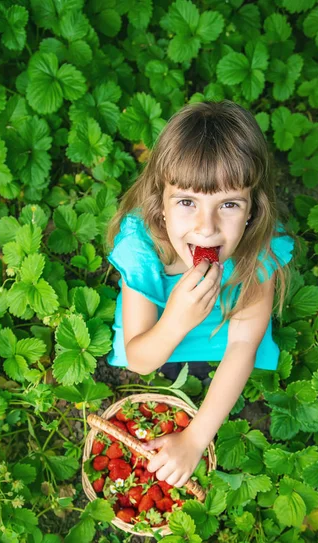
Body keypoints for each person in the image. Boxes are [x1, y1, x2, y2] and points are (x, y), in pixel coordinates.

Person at [104, 100, 296, 489]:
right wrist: (175, 319)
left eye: (227, 204)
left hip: (223, 339)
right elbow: (140, 360)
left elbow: (243, 343)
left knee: (230, 367)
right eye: (187, 202)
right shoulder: (146, 251)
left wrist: (194, 439)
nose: (205, 228)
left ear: (252, 212)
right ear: (160, 207)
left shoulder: (258, 249)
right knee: (163, 367)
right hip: (156, 339)